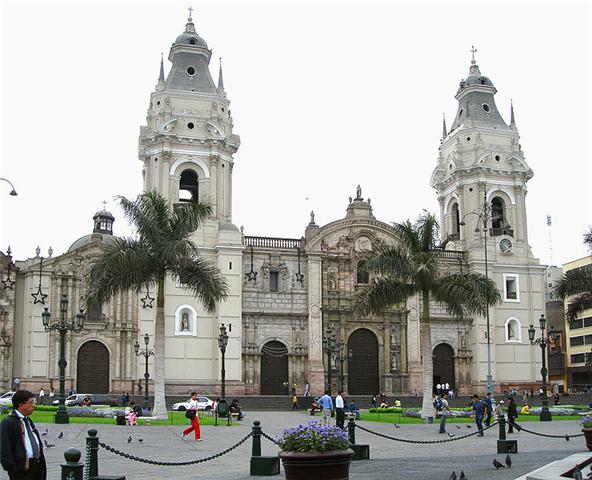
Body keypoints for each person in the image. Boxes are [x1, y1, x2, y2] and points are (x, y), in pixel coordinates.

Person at [0, 389, 47, 479]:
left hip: (36, 468)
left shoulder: (27, 420)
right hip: (22, 471)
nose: (34, 405)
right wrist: (15, 472)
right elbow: (5, 454)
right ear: (21, 405)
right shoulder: (8, 423)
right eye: (31, 402)